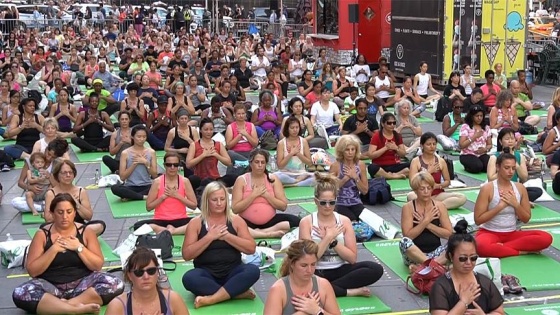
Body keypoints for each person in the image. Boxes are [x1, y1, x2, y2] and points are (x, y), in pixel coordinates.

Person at [12, 193, 124, 314]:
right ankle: (75, 309)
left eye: (69, 212)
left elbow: (97, 266)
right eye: (60, 212)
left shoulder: (86, 231)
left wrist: (79, 248)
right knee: (20, 293)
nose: (65, 216)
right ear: (52, 213)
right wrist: (53, 250)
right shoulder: (42, 235)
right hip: (50, 286)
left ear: (75, 213)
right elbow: (33, 271)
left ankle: (66, 305)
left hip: (82, 284)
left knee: (115, 284)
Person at [299, 172, 383, 297]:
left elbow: (352, 258)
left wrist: (333, 241)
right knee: (299, 278)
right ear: (316, 201)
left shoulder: (344, 221)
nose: (327, 206)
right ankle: (346, 291)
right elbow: (309, 259)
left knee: (375, 269)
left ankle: (326, 289)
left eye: (331, 202)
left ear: (336, 201)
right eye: (323, 203)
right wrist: (327, 237)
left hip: (340, 269)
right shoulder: (307, 222)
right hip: (316, 270)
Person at [181, 181, 260, 308]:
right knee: (189, 278)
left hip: (233, 272)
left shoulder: (236, 220)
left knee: (253, 271)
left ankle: (212, 299)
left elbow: (251, 248)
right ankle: (235, 293)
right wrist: (209, 237)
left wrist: (227, 236)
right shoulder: (196, 223)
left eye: (222, 199)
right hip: (206, 274)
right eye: (214, 200)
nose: (219, 203)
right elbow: (187, 254)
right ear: (207, 201)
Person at [474, 153, 552, 258]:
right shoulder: (488, 189)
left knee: (546, 238)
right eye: (506, 168)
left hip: (512, 233)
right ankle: (520, 251)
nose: (510, 171)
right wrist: (500, 206)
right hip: (489, 232)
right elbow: (478, 220)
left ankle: (501, 248)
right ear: (497, 167)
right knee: (481, 247)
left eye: (513, 168)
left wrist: (516, 205)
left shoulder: (520, 188)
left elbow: (526, 219)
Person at [429, 220, 505, 314]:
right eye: (463, 258)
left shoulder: (485, 283)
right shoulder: (441, 286)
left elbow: (499, 312)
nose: (469, 262)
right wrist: (464, 302)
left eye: (473, 258)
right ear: (450, 256)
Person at [232, 149, 300, 238]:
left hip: (270, 221)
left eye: (262, 162)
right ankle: (268, 234)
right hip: (247, 222)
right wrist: (253, 195)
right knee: (231, 224)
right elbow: (235, 209)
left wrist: (267, 196)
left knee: (296, 221)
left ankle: (259, 233)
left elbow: (283, 206)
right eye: (257, 162)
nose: (260, 165)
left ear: (266, 164)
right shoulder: (241, 180)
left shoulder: (272, 179)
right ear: (251, 163)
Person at [263, 239, 341, 315]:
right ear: (292, 264)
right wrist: (304, 312)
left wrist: (317, 311)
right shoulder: (278, 290)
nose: (309, 270)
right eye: (304, 265)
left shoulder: (323, 285)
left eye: (313, 264)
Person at [106, 247, 189, 314]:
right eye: (139, 272)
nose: (146, 276)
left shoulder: (173, 300)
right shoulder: (117, 306)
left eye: (151, 271)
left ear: (158, 272)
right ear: (129, 276)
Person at [133, 152, 198, 235]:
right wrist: (163, 197)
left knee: (201, 222)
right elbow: (149, 207)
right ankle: (172, 230)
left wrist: (177, 196)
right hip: (161, 220)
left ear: (178, 166)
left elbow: (193, 206)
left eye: (175, 165)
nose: (172, 167)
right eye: (169, 165)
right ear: (164, 165)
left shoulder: (185, 181)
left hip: (180, 220)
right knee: (138, 226)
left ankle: (171, 231)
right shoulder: (157, 182)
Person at [400, 171, 453, 269]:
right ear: (415, 191)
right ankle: (433, 265)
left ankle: (426, 266)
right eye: (422, 189)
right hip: (415, 254)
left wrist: (429, 224)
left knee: (457, 242)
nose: (426, 192)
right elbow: (408, 236)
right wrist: (425, 221)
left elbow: (449, 234)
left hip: (437, 253)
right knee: (404, 242)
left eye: (429, 188)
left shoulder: (439, 206)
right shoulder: (408, 207)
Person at [44, 160, 106, 236]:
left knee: (100, 225)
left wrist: (76, 204)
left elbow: (88, 216)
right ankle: (78, 237)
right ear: (57, 175)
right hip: (59, 227)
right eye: (64, 173)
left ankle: (72, 236)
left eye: (70, 172)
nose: (68, 175)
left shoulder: (81, 191)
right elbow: (48, 219)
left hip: (78, 227)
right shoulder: (51, 193)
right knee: (44, 228)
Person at [409, 133, 467, 209]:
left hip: (437, 195)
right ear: (422, 146)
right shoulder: (416, 161)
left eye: (434, 144)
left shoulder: (440, 161)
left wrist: (438, 186)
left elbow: (447, 181)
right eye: (428, 144)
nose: (432, 147)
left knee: (462, 197)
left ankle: (434, 207)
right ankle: (434, 206)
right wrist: (428, 172)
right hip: (421, 194)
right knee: (410, 196)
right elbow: (412, 183)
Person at [488, 128, 543, 202]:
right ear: (501, 142)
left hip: (514, 188)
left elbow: (524, 178)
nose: (510, 141)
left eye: (512, 138)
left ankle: (515, 200)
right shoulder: (494, 157)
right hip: (499, 188)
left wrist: (514, 162)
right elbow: (490, 179)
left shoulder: (520, 156)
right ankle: (518, 201)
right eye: (507, 139)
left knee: (537, 191)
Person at [186, 118, 236, 190]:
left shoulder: (218, 144)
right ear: (200, 130)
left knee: (233, 177)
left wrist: (216, 155)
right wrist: (202, 155)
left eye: (211, 129)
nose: (209, 132)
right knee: (192, 179)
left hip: (214, 179)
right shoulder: (194, 145)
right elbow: (188, 164)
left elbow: (228, 162)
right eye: (206, 130)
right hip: (199, 179)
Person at [111, 126, 158, 201]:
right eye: (139, 137)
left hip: (147, 185)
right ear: (132, 137)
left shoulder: (151, 152)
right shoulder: (125, 153)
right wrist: (134, 163)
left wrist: (146, 163)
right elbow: (122, 177)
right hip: (131, 186)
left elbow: (155, 175)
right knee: (115, 188)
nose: (142, 139)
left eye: (144, 137)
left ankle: (131, 196)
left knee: (161, 186)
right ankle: (142, 197)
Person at [328, 135, 369, 222]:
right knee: (352, 221)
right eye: (347, 150)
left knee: (367, 221)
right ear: (342, 151)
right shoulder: (335, 166)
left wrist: (355, 177)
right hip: (340, 203)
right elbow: (330, 190)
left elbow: (365, 190)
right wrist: (346, 178)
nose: (350, 152)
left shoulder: (361, 165)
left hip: (356, 202)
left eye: (352, 149)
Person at [273, 116, 315, 187]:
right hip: (285, 174)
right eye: (292, 128)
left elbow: (309, 163)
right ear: (287, 129)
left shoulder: (303, 141)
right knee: (274, 177)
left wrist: (298, 154)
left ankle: (294, 184)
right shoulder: (281, 143)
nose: (295, 130)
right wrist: (291, 153)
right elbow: (280, 166)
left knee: (316, 178)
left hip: (301, 174)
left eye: (297, 127)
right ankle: (296, 182)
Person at [368, 112, 410, 179]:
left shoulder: (397, 136)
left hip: (395, 165)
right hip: (380, 166)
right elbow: (371, 155)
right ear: (382, 124)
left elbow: (403, 154)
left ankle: (390, 175)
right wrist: (385, 148)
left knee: (412, 164)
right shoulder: (377, 136)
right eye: (389, 123)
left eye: (394, 123)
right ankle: (394, 176)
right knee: (372, 168)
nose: (392, 125)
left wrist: (396, 148)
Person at [164, 108, 199, 176]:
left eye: (186, 118)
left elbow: (198, 146)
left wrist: (188, 139)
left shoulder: (193, 130)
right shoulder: (172, 132)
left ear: (188, 119)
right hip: (179, 155)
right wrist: (179, 150)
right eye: (182, 118)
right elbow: (166, 148)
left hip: (192, 155)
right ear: (178, 119)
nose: (184, 120)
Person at [459, 106, 493, 174]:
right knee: (477, 167)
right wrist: (474, 137)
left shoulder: (486, 128)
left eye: (481, 116)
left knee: (491, 166)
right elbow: (461, 145)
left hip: (481, 154)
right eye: (477, 116)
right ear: (472, 116)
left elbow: (490, 144)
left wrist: (485, 149)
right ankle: (468, 166)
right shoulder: (466, 127)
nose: (479, 118)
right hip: (467, 154)